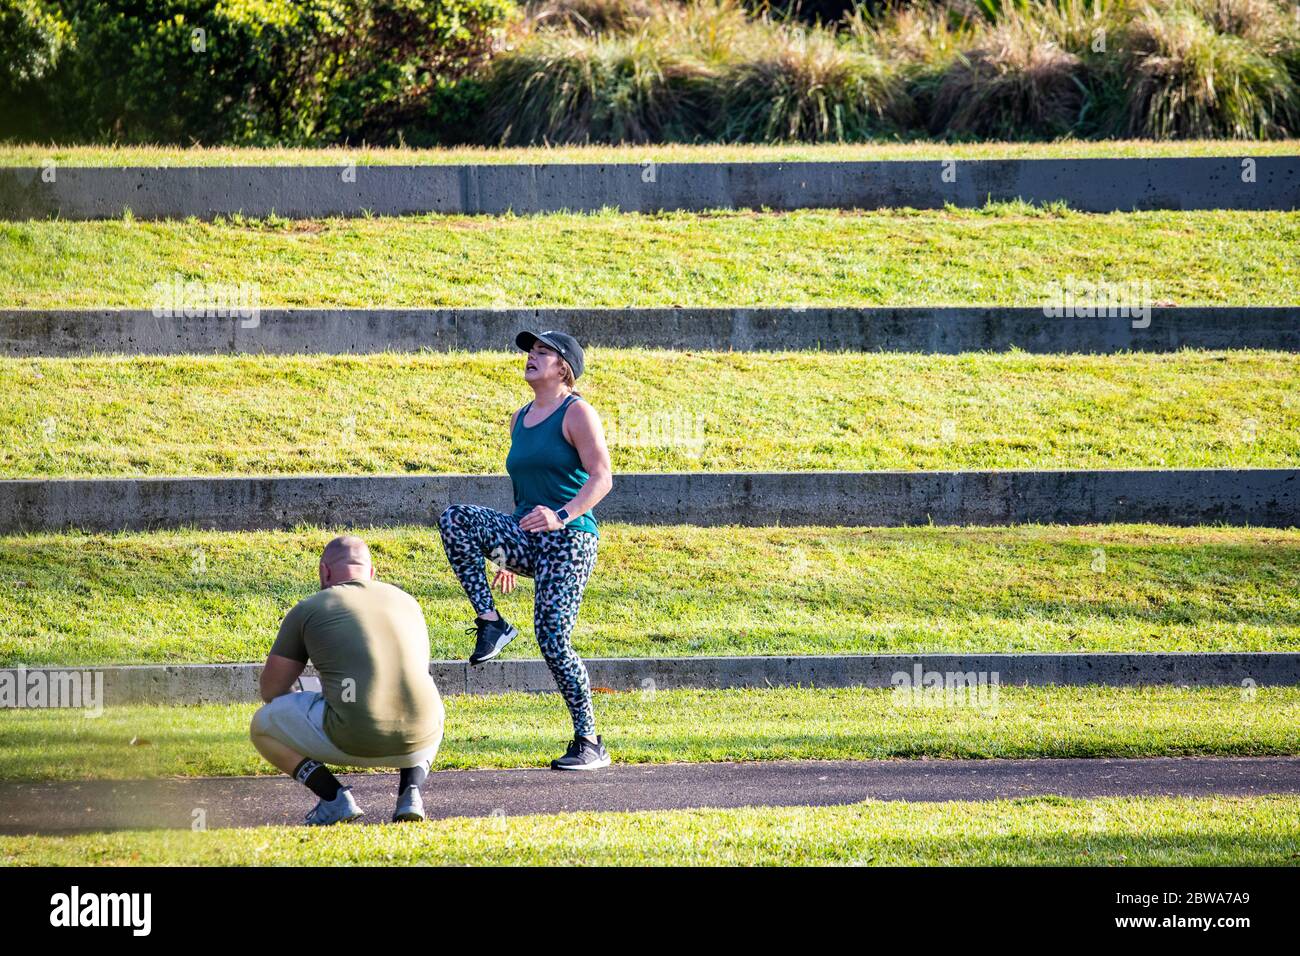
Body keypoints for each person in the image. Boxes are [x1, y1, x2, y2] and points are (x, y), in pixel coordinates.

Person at [438, 329, 614, 770]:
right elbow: (523, 494)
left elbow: (602, 477)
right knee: (455, 518)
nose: (530, 358)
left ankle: (589, 741)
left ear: (563, 367)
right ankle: (491, 622)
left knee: (553, 637)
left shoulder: (577, 413)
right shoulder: (519, 418)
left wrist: (563, 515)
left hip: (572, 539)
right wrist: (506, 555)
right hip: (530, 534)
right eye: (529, 352)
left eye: (541, 353)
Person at [250, 534, 445, 825]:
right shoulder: (408, 602)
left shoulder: (310, 607)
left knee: (262, 724)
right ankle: (411, 793)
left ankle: (333, 799)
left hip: (350, 739)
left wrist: (315, 699)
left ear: (324, 571)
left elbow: (272, 690)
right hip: (418, 739)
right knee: (425, 702)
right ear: (371, 573)